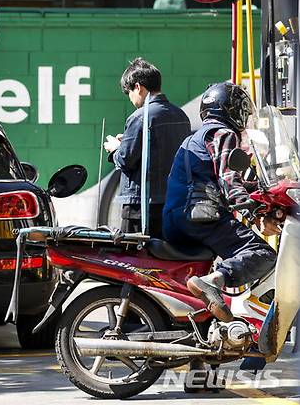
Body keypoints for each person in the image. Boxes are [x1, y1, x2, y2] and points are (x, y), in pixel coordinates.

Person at [162, 82, 279, 322]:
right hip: (201, 216)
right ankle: (213, 280)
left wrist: (258, 191)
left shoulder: (195, 137)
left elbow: (215, 177)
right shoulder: (223, 134)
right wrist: (256, 213)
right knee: (261, 252)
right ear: (230, 109)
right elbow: (228, 182)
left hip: (175, 219)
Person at [105, 58, 191, 237]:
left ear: (138, 87)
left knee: (137, 260)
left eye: (129, 92)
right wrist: (128, 141)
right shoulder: (181, 116)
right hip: (175, 202)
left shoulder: (139, 118)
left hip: (141, 207)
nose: (130, 98)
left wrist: (115, 149)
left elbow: (125, 160)